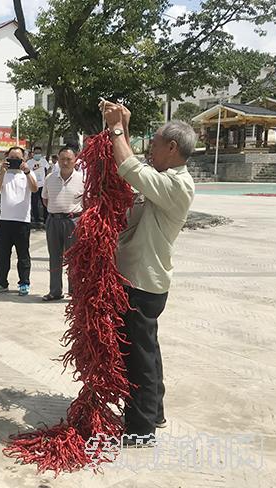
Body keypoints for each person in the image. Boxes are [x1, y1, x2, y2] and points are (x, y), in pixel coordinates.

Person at [100, 101, 195, 446]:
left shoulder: (177, 186)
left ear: (172, 148)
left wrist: (115, 129)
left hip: (143, 282)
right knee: (147, 349)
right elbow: (135, 167)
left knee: (138, 357)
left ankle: (141, 431)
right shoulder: (165, 179)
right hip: (142, 280)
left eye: (154, 142)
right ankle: (154, 412)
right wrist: (122, 124)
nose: (149, 147)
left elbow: (128, 166)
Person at [0, 146, 38, 296]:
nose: (14, 161)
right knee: (3, 255)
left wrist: (27, 171)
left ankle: (24, 282)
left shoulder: (28, 174)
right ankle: (1, 282)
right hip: (5, 221)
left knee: (23, 255)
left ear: (24, 159)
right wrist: (2, 171)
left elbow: (35, 189)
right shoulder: (4, 174)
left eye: (18, 158)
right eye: (11, 158)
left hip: (22, 221)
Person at [41, 145, 84, 301]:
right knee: (54, 257)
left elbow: (87, 201)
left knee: (74, 258)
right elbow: (45, 200)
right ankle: (55, 291)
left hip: (74, 221)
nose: (65, 162)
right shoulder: (49, 178)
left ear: (75, 160)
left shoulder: (82, 179)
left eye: (69, 159)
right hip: (53, 221)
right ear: (57, 160)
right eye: (62, 159)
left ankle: (75, 291)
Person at [28, 146, 49, 225]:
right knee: (34, 202)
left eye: (39, 153)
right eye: (36, 153)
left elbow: (48, 169)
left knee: (44, 202)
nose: (37, 155)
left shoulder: (43, 161)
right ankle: (36, 219)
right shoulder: (29, 162)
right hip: (33, 185)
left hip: (42, 185)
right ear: (33, 153)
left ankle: (45, 218)